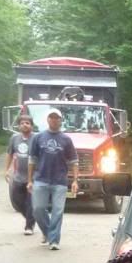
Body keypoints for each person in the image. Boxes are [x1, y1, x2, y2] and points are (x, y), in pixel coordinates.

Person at [27, 108, 79, 251]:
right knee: (38, 209)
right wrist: (30, 180)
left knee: (58, 210)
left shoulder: (66, 140)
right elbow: (32, 160)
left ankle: (54, 240)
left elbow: (74, 161)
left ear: (61, 120)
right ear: (47, 120)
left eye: (57, 118)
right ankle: (48, 232)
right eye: (51, 117)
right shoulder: (38, 138)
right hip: (41, 179)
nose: (54, 120)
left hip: (60, 181)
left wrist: (75, 180)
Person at [5, 114, 35, 235]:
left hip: (33, 177)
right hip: (18, 176)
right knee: (17, 201)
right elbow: (9, 154)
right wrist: (6, 169)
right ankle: (31, 217)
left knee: (30, 202)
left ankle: (29, 226)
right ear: (18, 125)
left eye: (27, 123)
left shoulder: (36, 138)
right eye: (22, 123)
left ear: (31, 126)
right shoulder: (14, 138)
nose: (24, 125)